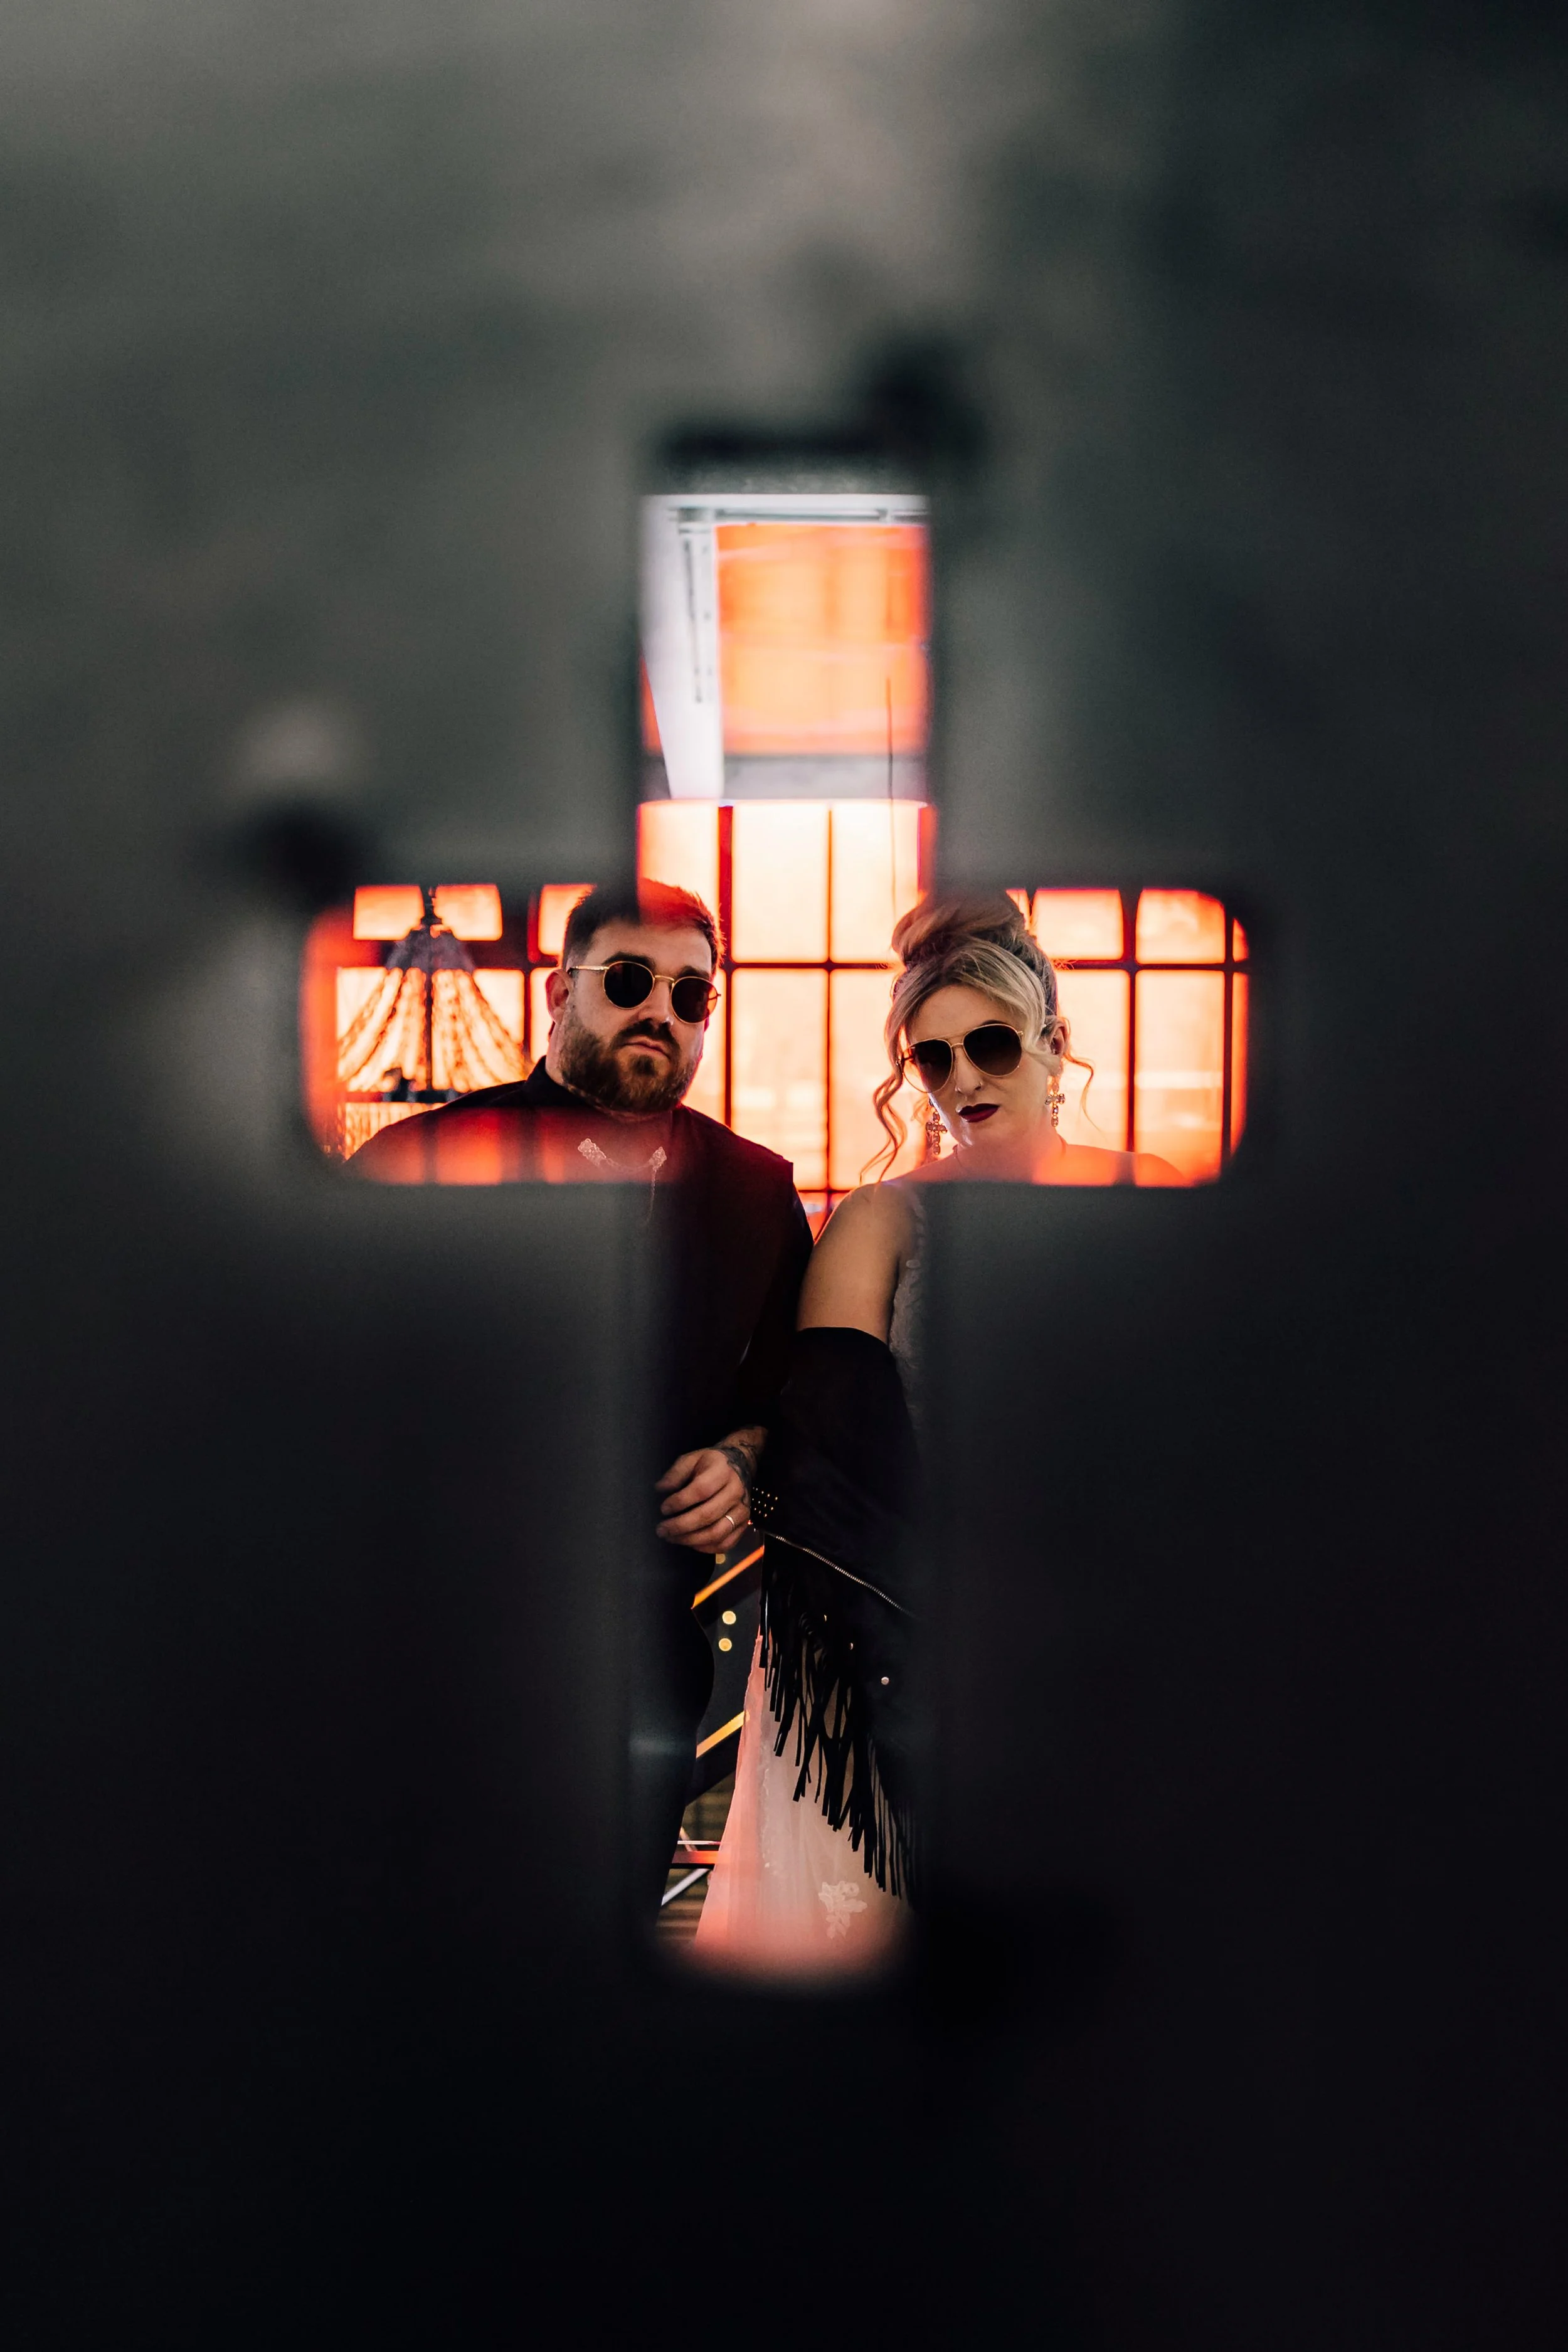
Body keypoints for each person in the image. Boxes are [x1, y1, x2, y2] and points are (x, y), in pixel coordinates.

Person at [694, 893, 1184, 1976]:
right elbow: (827, 1464)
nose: (962, 1079)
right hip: (902, 1628)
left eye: (991, 1045)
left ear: (1054, 1045)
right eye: (933, 1058)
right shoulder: (882, 1219)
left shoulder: (1153, 1201)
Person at [350, 879, 815, 1913]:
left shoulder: (756, 1189)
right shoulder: (418, 1165)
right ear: (559, 992)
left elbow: (796, 1404)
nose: (661, 1009)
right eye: (629, 980)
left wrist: (747, 1464)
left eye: (691, 994)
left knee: (603, 1944)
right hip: (432, 1636)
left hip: (645, 1647)